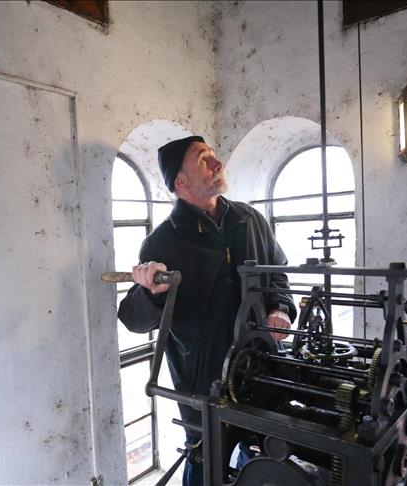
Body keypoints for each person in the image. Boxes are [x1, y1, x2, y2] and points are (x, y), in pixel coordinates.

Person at [117, 135, 297, 486]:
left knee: (262, 456)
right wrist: (150, 291)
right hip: (203, 387)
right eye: (203, 159)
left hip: (261, 368)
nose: (217, 164)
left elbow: (277, 273)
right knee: (205, 463)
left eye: (214, 155)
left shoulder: (250, 220)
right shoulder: (162, 242)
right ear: (180, 182)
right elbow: (134, 320)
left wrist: (281, 309)